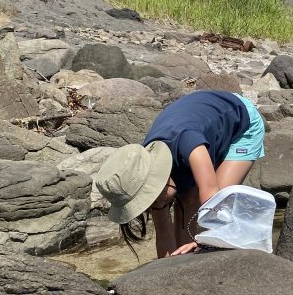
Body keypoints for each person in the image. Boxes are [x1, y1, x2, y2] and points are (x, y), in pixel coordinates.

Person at [94, 90, 265, 258]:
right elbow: (163, 238)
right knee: (184, 201)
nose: (155, 203)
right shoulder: (140, 171)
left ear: (156, 180)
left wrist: (205, 240)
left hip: (239, 119)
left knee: (211, 202)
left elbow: (214, 203)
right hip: (195, 120)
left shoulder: (189, 145)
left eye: (151, 197)